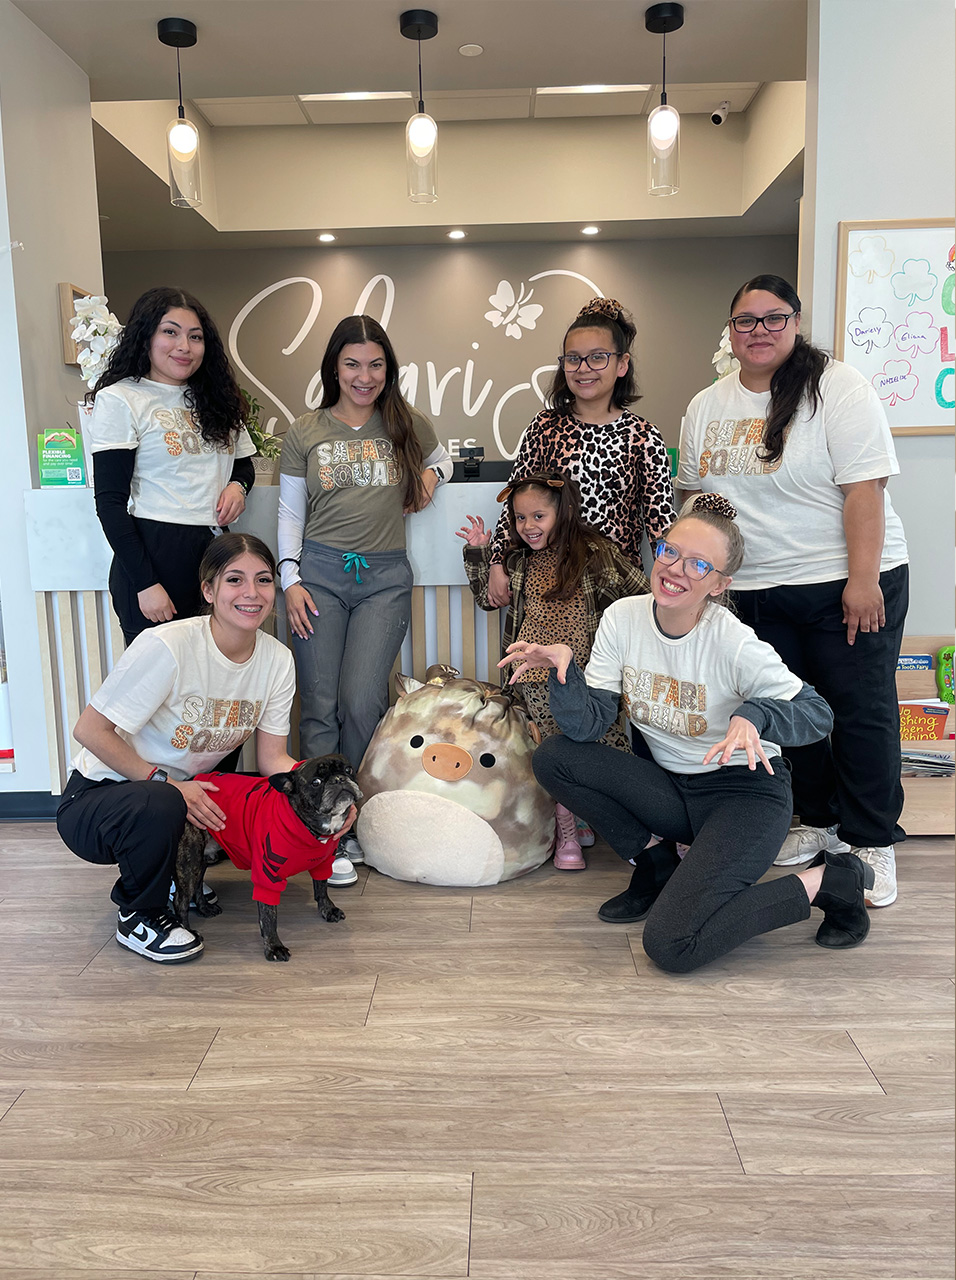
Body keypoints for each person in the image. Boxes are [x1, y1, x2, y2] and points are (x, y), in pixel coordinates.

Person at [501, 494, 876, 974]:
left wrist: (756, 716)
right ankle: (656, 865)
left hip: (746, 798)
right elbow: (586, 727)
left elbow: (817, 713)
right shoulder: (623, 618)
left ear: (720, 584)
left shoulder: (734, 642)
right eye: (670, 552)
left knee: (672, 943)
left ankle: (830, 883)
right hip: (676, 790)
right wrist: (565, 672)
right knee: (555, 756)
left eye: (699, 565)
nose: (676, 569)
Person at [677, 274, 908, 908]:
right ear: (730, 329)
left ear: (796, 322)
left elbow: (865, 489)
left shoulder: (838, 387)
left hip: (845, 580)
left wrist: (862, 582)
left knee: (859, 713)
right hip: (755, 586)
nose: (760, 331)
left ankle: (870, 841)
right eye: (746, 320)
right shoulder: (708, 405)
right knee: (786, 711)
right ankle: (819, 820)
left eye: (774, 318)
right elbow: (699, 502)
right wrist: (707, 583)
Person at [56, 534, 355, 965]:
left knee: (224, 790)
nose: (252, 593)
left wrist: (334, 793)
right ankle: (139, 915)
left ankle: (175, 875)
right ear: (209, 591)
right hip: (99, 800)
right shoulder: (168, 646)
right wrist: (168, 786)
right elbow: (90, 730)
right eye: (235, 580)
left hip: (178, 797)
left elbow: (273, 761)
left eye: (264, 580)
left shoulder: (276, 661)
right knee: (162, 799)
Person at [278, 314, 452, 869]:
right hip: (319, 576)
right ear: (334, 367)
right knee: (320, 706)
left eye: (375, 364)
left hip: (383, 580)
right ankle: (317, 826)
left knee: (362, 702)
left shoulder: (404, 422)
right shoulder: (305, 430)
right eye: (352, 364)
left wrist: (430, 478)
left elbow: (441, 458)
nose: (364, 375)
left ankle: (352, 818)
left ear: (388, 369)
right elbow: (288, 511)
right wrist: (289, 580)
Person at [458, 470, 649, 869]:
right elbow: (489, 599)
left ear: (562, 511)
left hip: (589, 673)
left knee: (605, 746)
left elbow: (641, 596)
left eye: (538, 516)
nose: (528, 527)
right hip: (532, 671)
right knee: (553, 749)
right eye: (520, 518)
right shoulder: (517, 560)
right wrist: (479, 552)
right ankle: (567, 825)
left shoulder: (596, 552)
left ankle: (630, 826)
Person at [88, 287, 256, 647]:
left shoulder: (218, 400)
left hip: (213, 554)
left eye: (195, 337)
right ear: (145, 335)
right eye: (170, 332)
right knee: (156, 689)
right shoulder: (121, 399)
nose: (185, 346)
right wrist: (145, 584)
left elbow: (243, 466)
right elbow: (110, 503)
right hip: (152, 555)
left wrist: (237, 487)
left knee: (208, 682)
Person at [485, 297, 676, 608]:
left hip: (616, 587)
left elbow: (661, 522)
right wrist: (497, 561)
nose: (583, 369)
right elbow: (516, 498)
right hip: (551, 583)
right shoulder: (545, 426)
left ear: (622, 364)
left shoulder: (644, 435)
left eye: (597, 357)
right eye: (573, 359)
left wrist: (675, 574)